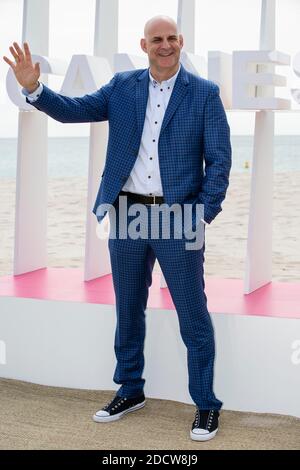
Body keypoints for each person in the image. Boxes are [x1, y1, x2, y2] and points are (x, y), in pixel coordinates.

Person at [3, 15, 231, 442]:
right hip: (126, 213)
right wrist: (33, 88)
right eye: (156, 40)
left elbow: (219, 161)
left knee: (192, 313)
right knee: (128, 308)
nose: (164, 45)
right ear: (143, 46)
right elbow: (75, 111)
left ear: (180, 42)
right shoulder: (123, 86)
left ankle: (205, 405)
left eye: (171, 39)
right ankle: (130, 390)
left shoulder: (204, 94)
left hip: (178, 217)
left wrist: (201, 216)